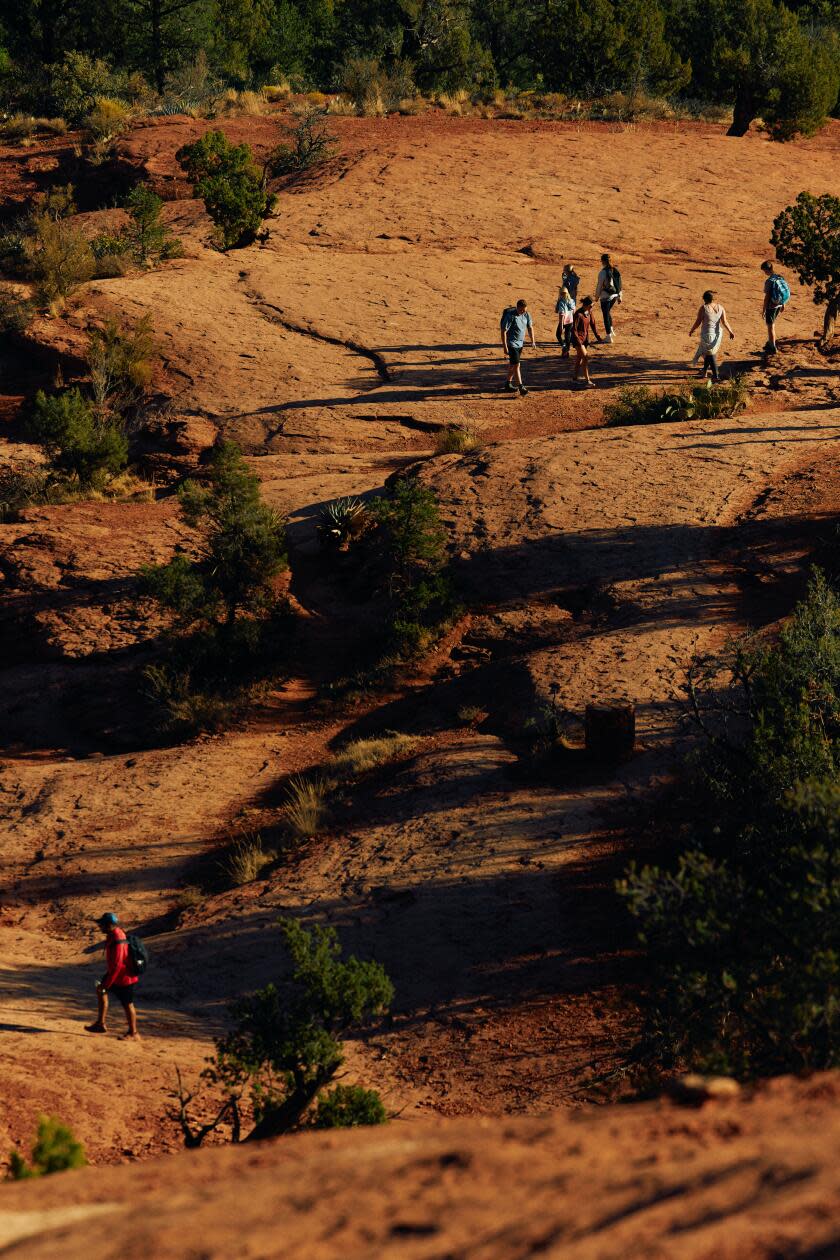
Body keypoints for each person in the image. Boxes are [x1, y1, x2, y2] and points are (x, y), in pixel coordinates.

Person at [85, 912, 140, 1039]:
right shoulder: (114, 934)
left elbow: (118, 965)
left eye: (102, 924)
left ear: (109, 925)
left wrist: (107, 984)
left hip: (124, 977)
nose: (100, 927)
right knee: (100, 990)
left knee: (128, 1004)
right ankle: (100, 1023)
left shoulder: (117, 938)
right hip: (116, 975)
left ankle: (134, 1033)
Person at [689, 289, 735, 382]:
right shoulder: (721, 307)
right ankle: (704, 372)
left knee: (710, 354)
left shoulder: (704, 308)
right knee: (708, 353)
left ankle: (716, 376)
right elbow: (724, 321)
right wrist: (730, 331)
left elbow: (698, 322)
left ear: (705, 299)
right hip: (717, 336)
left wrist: (692, 330)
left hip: (707, 335)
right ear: (713, 299)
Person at [501, 298, 536, 395]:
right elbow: (504, 331)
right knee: (517, 365)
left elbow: (530, 327)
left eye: (524, 310)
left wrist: (533, 341)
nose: (522, 312)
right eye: (521, 310)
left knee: (513, 364)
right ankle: (521, 386)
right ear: (517, 307)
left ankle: (508, 383)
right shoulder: (510, 316)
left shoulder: (526, 314)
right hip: (512, 344)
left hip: (520, 344)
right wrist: (505, 346)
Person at [761, 260, 790, 355]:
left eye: (764, 270)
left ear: (766, 270)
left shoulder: (769, 281)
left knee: (770, 326)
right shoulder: (779, 277)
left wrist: (764, 310)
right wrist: (783, 304)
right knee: (772, 324)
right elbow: (783, 292)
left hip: (771, 306)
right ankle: (770, 343)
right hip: (779, 304)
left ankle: (772, 347)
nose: (764, 272)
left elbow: (767, 297)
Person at [594, 253, 622, 343]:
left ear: (603, 261)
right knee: (607, 312)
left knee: (605, 315)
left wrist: (596, 297)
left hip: (606, 297)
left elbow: (599, 285)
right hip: (614, 296)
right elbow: (619, 284)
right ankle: (611, 330)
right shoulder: (614, 270)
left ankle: (608, 336)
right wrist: (619, 296)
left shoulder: (603, 272)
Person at [572, 296, 597, 387]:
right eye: (590, 306)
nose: (592, 308)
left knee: (579, 358)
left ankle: (574, 378)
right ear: (585, 305)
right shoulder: (578, 315)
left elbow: (593, 323)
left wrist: (597, 336)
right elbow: (574, 330)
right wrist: (579, 342)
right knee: (585, 357)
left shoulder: (588, 312)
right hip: (578, 340)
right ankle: (588, 381)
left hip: (584, 339)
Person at [555, 285, 575, 357]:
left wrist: (561, 325)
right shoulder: (572, 301)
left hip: (564, 321)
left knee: (558, 334)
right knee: (567, 336)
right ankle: (568, 350)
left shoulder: (561, 302)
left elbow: (561, 314)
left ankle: (564, 347)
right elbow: (573, 311)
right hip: (571, 320)